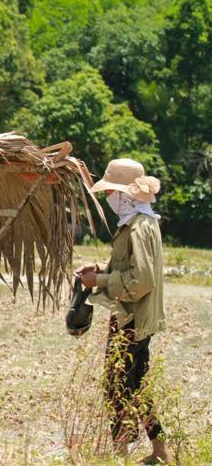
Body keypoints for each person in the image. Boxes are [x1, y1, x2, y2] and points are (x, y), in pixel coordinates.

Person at [75, 158, 171, 464]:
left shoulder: (137, 228)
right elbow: (131, 269)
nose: (108, 199)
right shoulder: (142, 222)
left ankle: (119, 454)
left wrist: (99, 280)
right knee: (137, 384)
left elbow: (140, 280)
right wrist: (100, 269)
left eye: (111, 193)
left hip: (131, 317)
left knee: (116, 385)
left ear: (124, 195)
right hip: (138, 317)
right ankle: (161, 452)